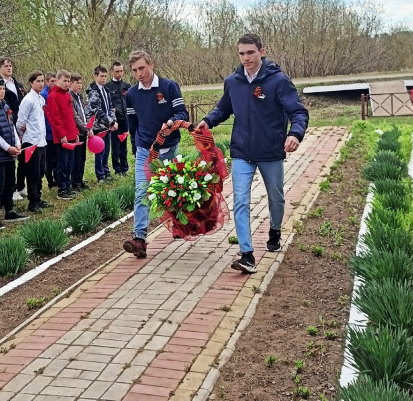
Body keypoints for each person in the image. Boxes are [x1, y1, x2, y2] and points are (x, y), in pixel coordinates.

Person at [198, 33, 308, 274]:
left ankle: (275, 230)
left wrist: (295, 134)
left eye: (250, 52)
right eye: (241, 53)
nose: (245, 58)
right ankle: (246, 254)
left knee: (276, 198)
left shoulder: (278, 81)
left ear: (261, 51)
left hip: (270, 151)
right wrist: (208, 120)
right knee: (240, 201)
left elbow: (298, 113)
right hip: (241, 152)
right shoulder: (233, 81)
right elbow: (223, 108)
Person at [123, 50, 188, 258]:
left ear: (151, 64)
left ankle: (178, 223)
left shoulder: (168, 87)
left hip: (169, 148)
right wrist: (135, 146)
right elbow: (132, 123)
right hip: (145, 150)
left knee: (172, 189)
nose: (139, 73)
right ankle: (139, 239)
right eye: (134, 70)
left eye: (141, 68)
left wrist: (171, 123)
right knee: (142, 191)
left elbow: (182, 114)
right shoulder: (132, 94)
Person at [0, 76, 29, 227]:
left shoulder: (5, 105)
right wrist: (7, 147)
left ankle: (9, 210)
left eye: (3, 89)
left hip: (11, 152)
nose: (2, 92)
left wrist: (16, 143)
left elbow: (12, 126)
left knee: (10, 183)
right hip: (0, 154)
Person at [16, 71, 51, 213]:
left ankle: (39, 197)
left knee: (41, 171)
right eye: (38, 81)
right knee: (33, 172)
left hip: (41, 141)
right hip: (31, 142)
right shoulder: (28, 100)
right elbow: (20, 121)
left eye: (42, 81)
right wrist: (23, 134)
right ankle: (33, 201)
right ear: (31, 83)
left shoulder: (40, 99)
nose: (41, 83)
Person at [0, 57, 28, 201]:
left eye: (10, 65)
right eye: (6, 66)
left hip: (22, 123)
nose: (9, 68)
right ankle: (11, 189)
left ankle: (21, 185)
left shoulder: (17, 84)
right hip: (8, 122)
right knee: (10, 159)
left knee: (23, 156)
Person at [45, 69, 79, 200]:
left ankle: (68, 185)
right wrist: (62, 134)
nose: (67, 83)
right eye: (64, 81)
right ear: (57, 80)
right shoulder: (53, 96)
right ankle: (62, 188)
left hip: (71, 134)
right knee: (62, 162)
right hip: (62, 136)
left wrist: (75, 132)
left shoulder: (67, 95)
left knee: (70, 162)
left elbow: (71, 116)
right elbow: (55, 118)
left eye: (68, 81)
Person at [86, 65, 118, 183]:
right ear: (95, 76)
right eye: (101, 76)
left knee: (107, 150)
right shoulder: (93, 91)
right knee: (100, 150)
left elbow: (110, 107)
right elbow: (96, 110)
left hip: (107, 125)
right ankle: (100, 175)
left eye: (105, 76)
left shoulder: (106, 89)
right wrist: (110, 121)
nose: (104, 78)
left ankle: (106, 171)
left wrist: (113, 121)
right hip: (98, 125)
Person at [106, 61, 131, 175]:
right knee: (115, 145)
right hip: (115, 120)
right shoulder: (107, 87)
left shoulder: (127, 86)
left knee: (124, 145)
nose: (119, 73)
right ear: (112, 72)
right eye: (117, 71)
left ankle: (124, 167)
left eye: (121, 71)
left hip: (125, 118)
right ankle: (117, 169)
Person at [70, 73, 92, 191]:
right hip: (77, 132)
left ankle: (80, 179)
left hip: (84, 131)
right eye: (77, 83)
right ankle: (75, 182)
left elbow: (84, 114)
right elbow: (75, 117)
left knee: (82, 158)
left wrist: (88, 126)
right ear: (70, 83)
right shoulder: (71, 97)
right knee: (76, 158)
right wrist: (85, 127)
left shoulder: (79, 97)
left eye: (81, 83)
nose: (79, 85)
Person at [42, 72, 58, 188]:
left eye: (55, 81)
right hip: (47, 132)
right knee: (49, 159)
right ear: (47, 82)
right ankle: (50, 181)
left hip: (54, 131)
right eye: (51, 81)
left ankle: (56, 178)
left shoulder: (55, 93)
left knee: (55, 157)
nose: (54, 83)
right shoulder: (44, 95)